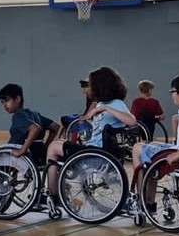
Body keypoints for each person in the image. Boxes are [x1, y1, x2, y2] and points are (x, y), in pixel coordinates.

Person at [46, 66, 136, 194]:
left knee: (53, 147)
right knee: (60, 143)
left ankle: (52, 193)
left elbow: (132, 121)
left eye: (91, 84)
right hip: (94, 150)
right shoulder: (101, 103)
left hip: (96, 154)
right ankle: (60, 184)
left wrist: (105, 108)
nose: (89, 87)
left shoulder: (115, 103)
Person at [0, 83, 60, 163]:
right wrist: (46, 147)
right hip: (38, 154)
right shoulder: (35, 114)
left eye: (7, 100)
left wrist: (22, 150)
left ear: (17, 99)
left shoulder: (18, 116)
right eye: (2, 102)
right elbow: (55, 126)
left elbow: (35, 129)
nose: (4, 105)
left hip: (16, 157)